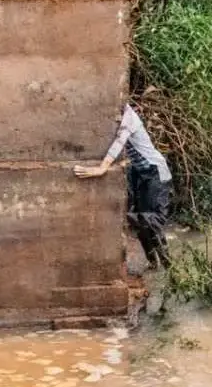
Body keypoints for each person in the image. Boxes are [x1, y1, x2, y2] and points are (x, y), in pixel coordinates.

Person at [73, 104, 173, 269]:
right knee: (143, 224)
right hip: (141, 174)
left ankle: (169, 267)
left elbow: (119, 142)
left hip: (157, 172)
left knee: (154, 220)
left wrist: (103, 167)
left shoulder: (129, 116)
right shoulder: (114, 115)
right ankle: (154, 264)